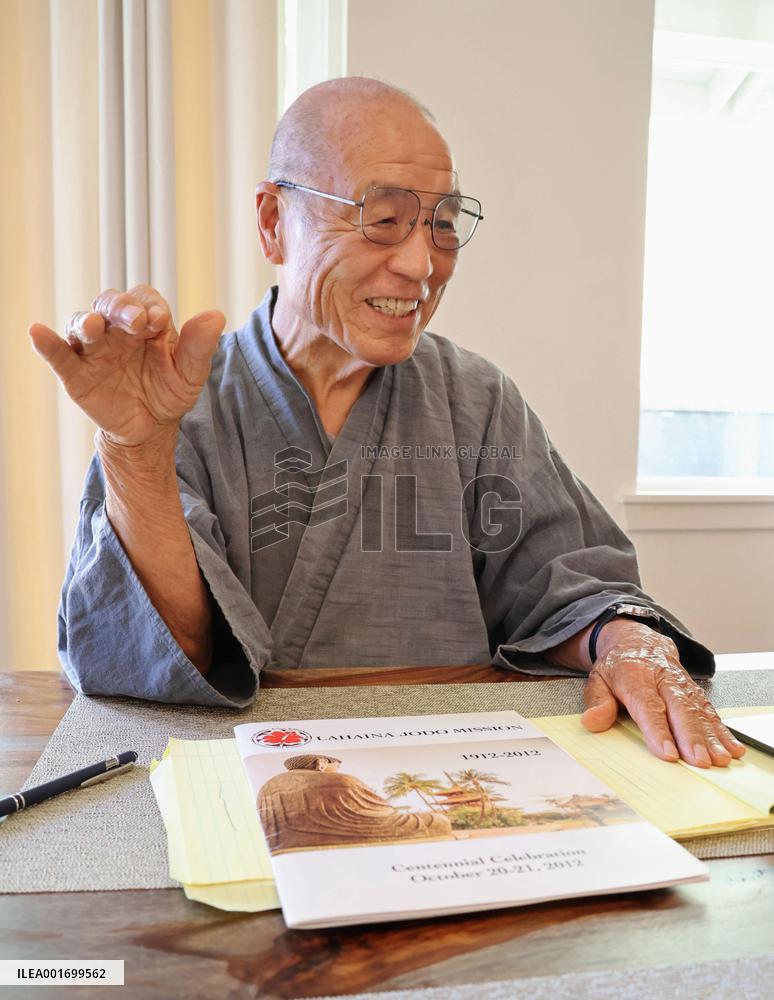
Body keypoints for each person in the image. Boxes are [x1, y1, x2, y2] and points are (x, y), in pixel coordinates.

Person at [30, 77, 745, 771]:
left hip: (457, 777)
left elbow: (571, 583)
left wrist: (625, 642)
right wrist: (136, 449)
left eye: (441, 225)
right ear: (275, 222)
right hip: (238, 778)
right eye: (384, 219)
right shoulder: (178, 400)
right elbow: (169, 648)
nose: (422, 265)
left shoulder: (474, 399)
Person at [258, 754, 452, 853]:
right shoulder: (341, 780)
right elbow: (383, 813)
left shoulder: (268, 785)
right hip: (353, 832)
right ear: (321, 763)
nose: (338, 769)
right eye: (336, 765)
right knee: (437, 820)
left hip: (284, 841)